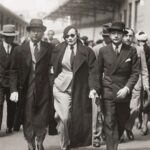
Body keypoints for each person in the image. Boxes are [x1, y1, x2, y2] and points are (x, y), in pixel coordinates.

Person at [9, 19, 55, 150]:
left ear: (42, 33)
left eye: (39, 31)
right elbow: (13, 71)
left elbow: (53, 66)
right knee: (28, 117)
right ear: (28, 32)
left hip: (44, 89)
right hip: (27, 88)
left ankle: (40, 141)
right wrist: (13, 90)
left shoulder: (49, 48)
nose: (36, 34)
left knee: (42, 117)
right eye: (33, 31)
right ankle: (30, 142)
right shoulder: (19, 50)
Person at [52, 25, 99, 150]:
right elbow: (51, 67)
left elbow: (93, 71)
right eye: (67, 36)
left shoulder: (87, 51)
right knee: (66, 117)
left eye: (72, 35)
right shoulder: (58, 49)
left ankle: (71, 140)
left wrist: (93, 88)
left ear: (77, 35)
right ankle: (64, 145)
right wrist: (52, 81)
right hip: (61, 87)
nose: (69, 38)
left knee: (76, 118)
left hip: (79, 88)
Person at [97, 22, 140, 150]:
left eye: (119, 33)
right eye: (113, 33)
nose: (116, 36)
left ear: (123, 35)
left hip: (124, 92)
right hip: (108, 91)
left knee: (122, 121)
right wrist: (97, 91)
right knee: (109, 122)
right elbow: (98, 73)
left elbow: (135, 73)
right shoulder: (103, 51)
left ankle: (117, 137)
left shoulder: (131, 50)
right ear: (109, 35)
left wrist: (127, 88)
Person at [122, 28, 149, 141]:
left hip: (137, 83)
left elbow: (144, 69)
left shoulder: (139, 50)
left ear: (134, 38)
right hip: (122, 83)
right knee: (121, 109)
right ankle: (120, 131)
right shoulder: (119, 49)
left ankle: (128, 127)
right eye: (126, 35)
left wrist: (146, 85)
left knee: (135, 109)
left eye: (130, 36)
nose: (128, 38)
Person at [0, 24, 19, 133]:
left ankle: (9, 126)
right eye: (8, 36)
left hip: (13, 82)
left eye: (12, 36)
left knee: (12, 105)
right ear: (3, 37)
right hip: (0, 81)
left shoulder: (17, 48)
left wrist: (16, 88)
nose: (10, 38)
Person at [136, 31, 150, 135]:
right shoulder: (147, 49)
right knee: (146, 102)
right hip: (145, 79)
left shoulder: (137, 50)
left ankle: (142, 123)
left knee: (141, 102)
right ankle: (144, 124)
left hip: (141, 79)